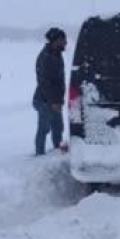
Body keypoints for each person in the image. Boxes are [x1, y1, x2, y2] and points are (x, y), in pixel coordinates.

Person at [33, 27, 67, 156]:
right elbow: (44, 83)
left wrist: (58, 100)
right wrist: (53, 102)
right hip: (44, 100)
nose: (65, 43)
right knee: (44, 129)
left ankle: (58, 153)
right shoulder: (45, 57)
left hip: (55, 100)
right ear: (55, 40)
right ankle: (39, 155)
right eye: (63, 40)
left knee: (58, 128)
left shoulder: (57, 54)